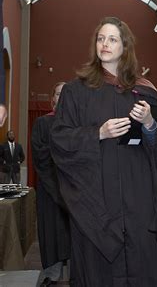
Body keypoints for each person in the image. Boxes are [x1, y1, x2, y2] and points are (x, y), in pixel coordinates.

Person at [50, 17, 157, 286]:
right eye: (101, 38)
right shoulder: (76, 91)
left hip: (137, 201)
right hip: (98, 202)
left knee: (140, 264)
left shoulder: (144, 92)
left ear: (125, 47)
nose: (105, 44)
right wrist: (97, 133)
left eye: (112, 39)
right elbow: (59, 139)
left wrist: (149, 123)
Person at [31, 81, 70, 286]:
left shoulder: (76, 125)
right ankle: (52, 274)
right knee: (52, 231)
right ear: (53, 98)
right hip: (50, 190)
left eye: (65, 93)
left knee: (73, 234)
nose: (61, 96)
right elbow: (40, 157)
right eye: (57, 93)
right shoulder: (42, 123)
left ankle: (76, 273)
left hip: (74, 190)